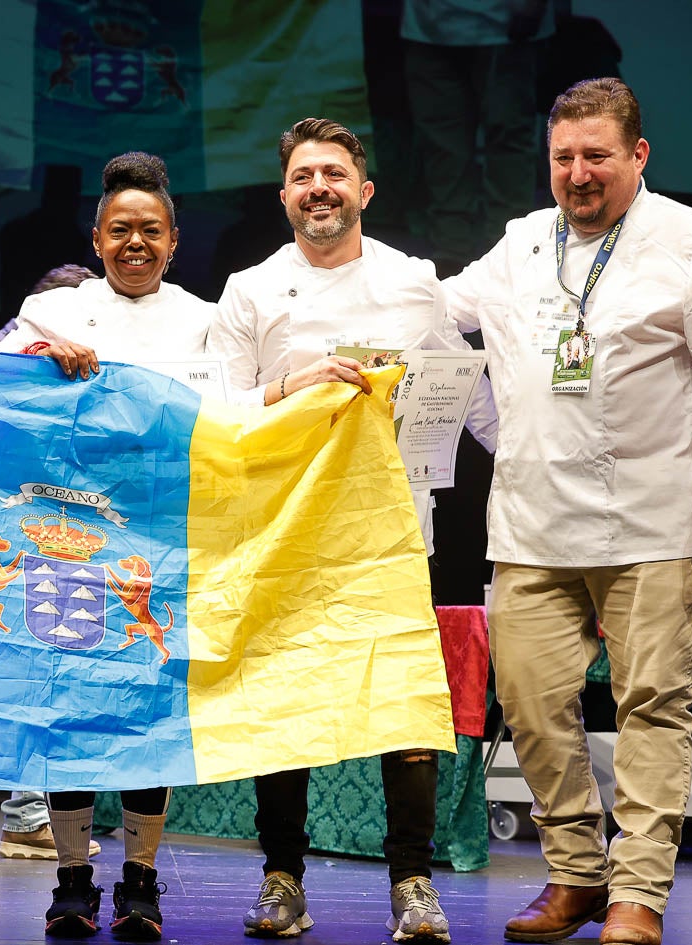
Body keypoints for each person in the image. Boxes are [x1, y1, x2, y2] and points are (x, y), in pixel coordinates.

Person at [441, 78, 692, 945]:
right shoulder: (518, 244)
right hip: (530, 525)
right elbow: (433, 315)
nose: (578, 174)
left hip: (654, 521)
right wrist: (492, 425)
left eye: (596, 156)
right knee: (527, 698)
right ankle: (577, 873)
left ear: (637, 154)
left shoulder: (691, 242)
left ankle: (638, 891)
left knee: (653, 702)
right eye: (563, 158)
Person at [207, 116, 498, 944]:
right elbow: (215, 411)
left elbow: (465, 393)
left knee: (401, 705)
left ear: (363, 191)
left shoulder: (413, 282)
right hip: (284, 528)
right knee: (284, 703)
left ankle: (412, 883)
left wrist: (523, 463)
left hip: (392, 527)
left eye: (333, 173)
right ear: (284, 196)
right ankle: (281, 879)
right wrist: (291, 387)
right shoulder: (249, 290)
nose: (319, 188)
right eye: (303, 176)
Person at [0, 151, 213, 941]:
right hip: (71, 546)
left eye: (149, 231)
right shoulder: (50, 310)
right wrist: (38, 356)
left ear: (173, 240)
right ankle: (73, 880)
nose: (134, 244)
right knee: (71, 713)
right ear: (95, 237)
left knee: (150, 714)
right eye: (119, 229)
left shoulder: (203, 319)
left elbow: (233, 417)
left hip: (164, 547)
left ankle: (142, 884)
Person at [0, 262, 102, 863]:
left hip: (75, 531)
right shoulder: (10, 350)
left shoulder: (101, 349)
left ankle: (35, 815)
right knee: (45, 671)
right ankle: (29, 815)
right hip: (36, 533)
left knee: (61, 674)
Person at [401, 0, 554, 275]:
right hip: (428, 26)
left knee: (509, 143)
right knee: (442, 148)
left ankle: (511, 253)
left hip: (506, 25)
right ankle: (450, 256)